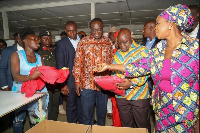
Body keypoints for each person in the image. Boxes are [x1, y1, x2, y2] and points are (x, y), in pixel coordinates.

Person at [97, 4, 199, 133]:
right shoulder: (158, 50)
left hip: (184, 111)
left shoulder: (194, 48)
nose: (155, 27)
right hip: (161, 109)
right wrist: (109, 66)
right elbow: (139, 67)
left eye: (158, 23)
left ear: (170, 24)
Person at [73, 18, 113, 126]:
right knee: (87, 114)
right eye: (94, 30)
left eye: (99, 30)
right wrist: (77, 81)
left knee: (101, 114)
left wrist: (110, 79)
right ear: (90, 29)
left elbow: (111, 60)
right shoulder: (83, 42)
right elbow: (78, 62)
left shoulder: (107, 42)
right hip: (87, 84)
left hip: (103, 84)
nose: (96, 33)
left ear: (102, 28)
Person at [113, 28, 151, 132]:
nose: (122, 45)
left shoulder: (142, 50)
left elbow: (146, 72)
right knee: (127, 126)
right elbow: (115, 73)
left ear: (132, 39)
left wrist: (132, 83)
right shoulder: (117, 54)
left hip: (139, 95)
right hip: (121, 96)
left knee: (142, 126)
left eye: (125, 42)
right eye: (119, 43)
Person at [11, 27, 48, 133]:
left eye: (37, 40)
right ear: (25, 41)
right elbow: (15, 76)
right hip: (20, 94)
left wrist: (55, 75)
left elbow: (43, 74)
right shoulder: (16, 55)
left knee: (37, 122)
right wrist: (31, 77)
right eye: (34, 39)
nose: (38, 42)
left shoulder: (39, 57)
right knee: (18, 122)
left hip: (37, 94)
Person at [55, 21, 82, 123]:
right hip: (69, 81)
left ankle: (82, 126)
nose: (72, 33)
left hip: (83, 80)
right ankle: (72, 126)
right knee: (71, 106)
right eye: (69, 31)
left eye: (74, 30)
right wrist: (63, 84)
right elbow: (60, 65)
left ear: (77, 29)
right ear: (66, 31)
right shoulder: (61, 44)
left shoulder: (83, 41)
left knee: (82, 105)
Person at [36, 30, 60, 121]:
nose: (47, 40)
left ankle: (53, 123)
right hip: (45, 84)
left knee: (55, 105)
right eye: (44, 38)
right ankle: (46, 125)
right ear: (40, 39)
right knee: (46, 107)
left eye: (49, 38)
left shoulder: (54, 50)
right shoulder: (38, 52)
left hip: (56, 83)